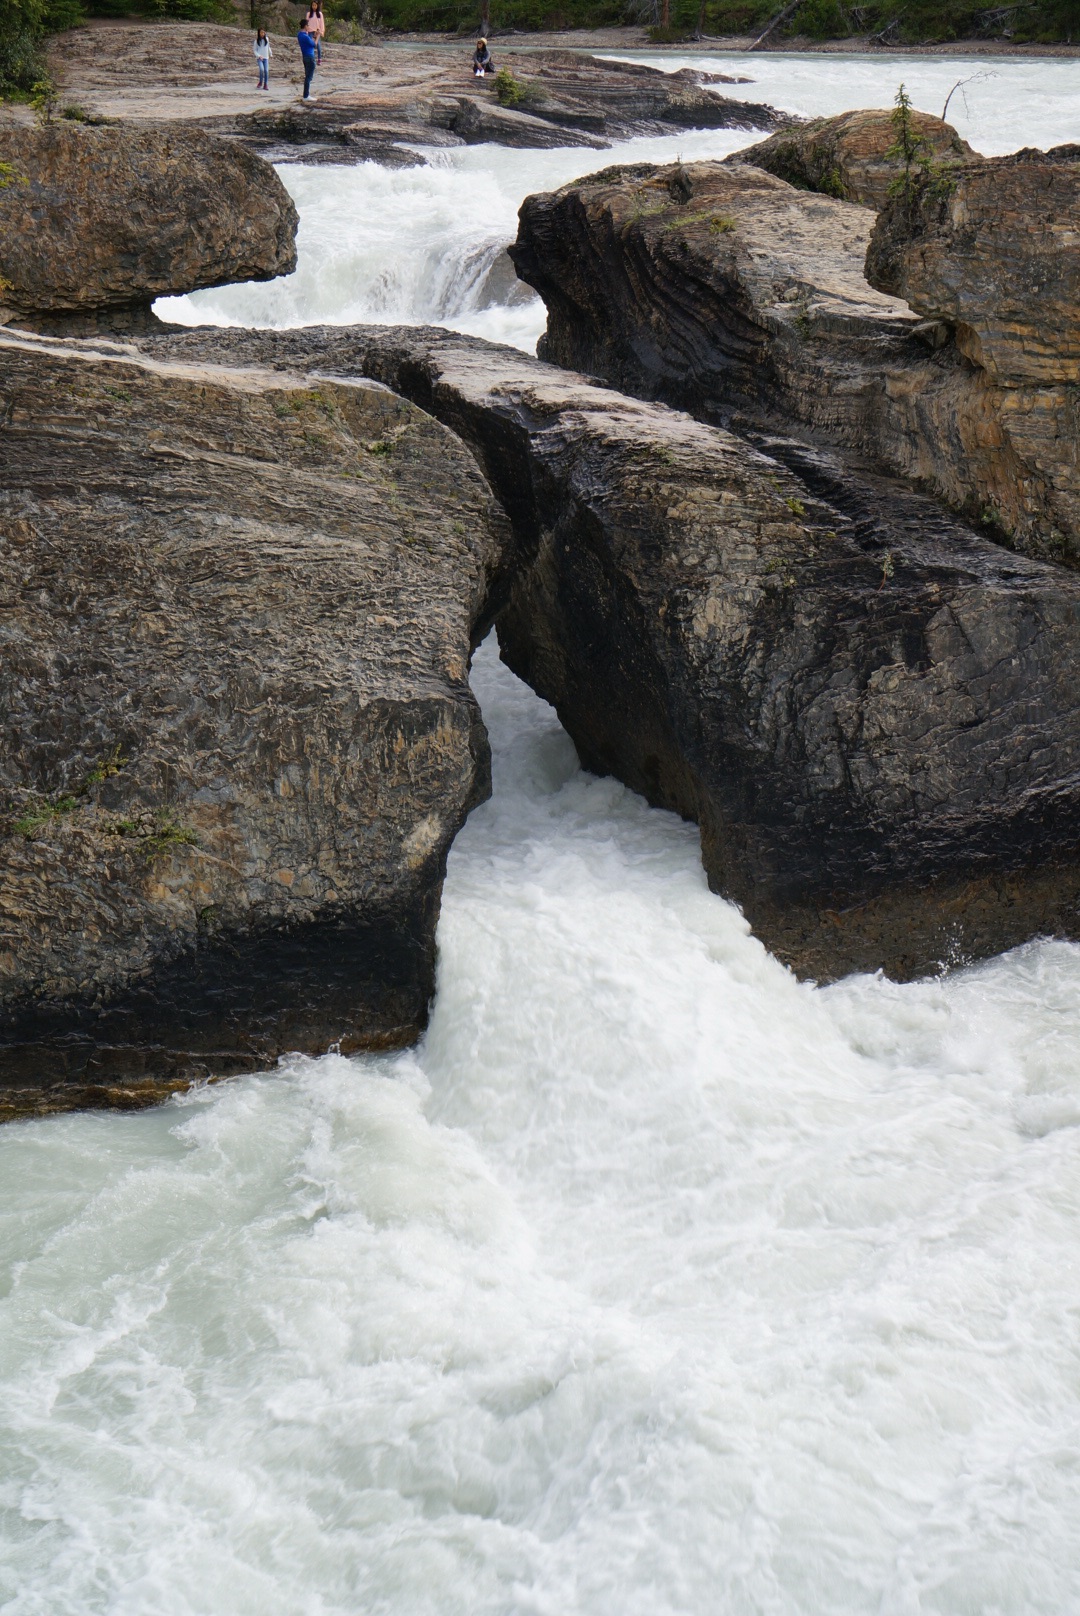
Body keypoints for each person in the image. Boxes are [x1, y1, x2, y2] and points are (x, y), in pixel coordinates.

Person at [297, 20, 317, 100]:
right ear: (305, 26)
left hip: (305, 57)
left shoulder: (300, 35)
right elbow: (314, 44)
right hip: (310, 57)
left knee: (307, 76)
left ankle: (306, 95)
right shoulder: (305, 36)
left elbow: (310, 41)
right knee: (308, 77)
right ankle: (306, 95)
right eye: (308, 25)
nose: (308, 27)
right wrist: (318, 36)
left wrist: (314, 37)